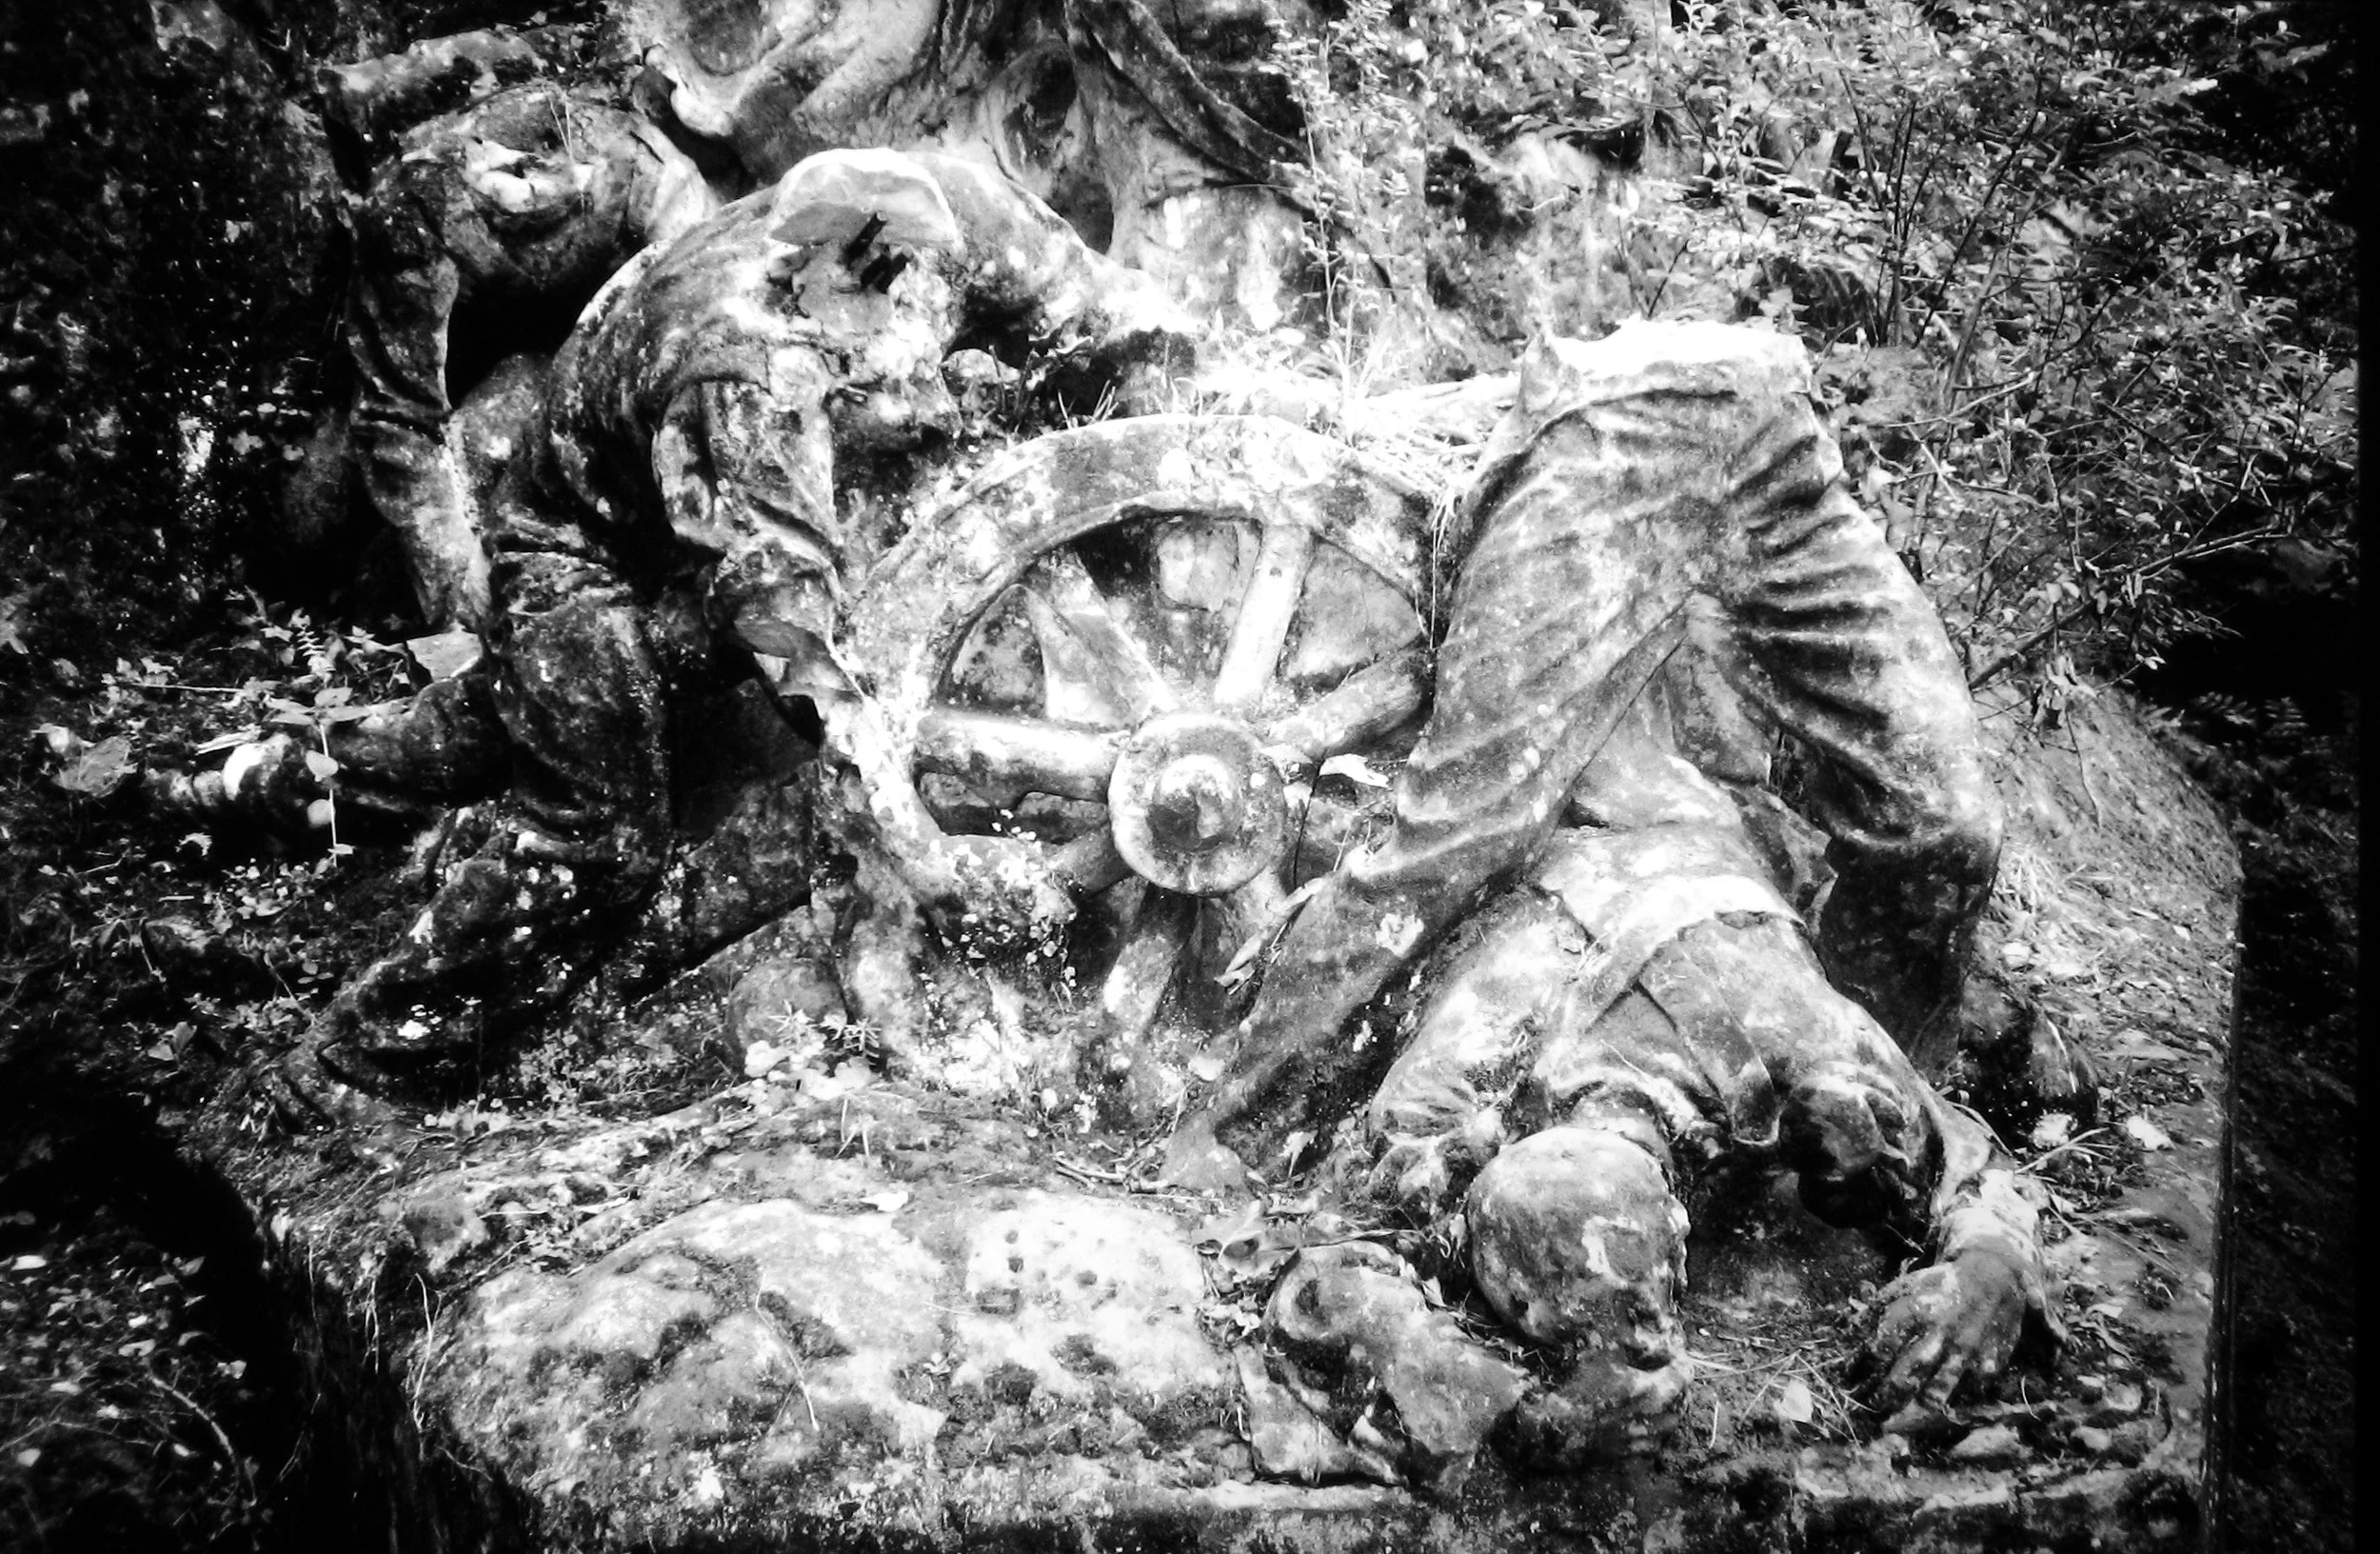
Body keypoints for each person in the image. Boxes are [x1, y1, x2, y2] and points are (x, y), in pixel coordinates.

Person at [272, 147, 1197, 1117]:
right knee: (599, 835)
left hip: (705, 507)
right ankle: (354, 1063)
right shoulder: (751, 377)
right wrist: (933, 860)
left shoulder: (960, 206)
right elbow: (803, 655)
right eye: (869, 327)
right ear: (816, 280)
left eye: (914, 297)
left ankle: (302, 775)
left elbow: (1115, 320)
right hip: (581, 554)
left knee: (533, 714)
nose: (907, 347)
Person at [1185, 323, 2004, 1174]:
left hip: (1774, 421)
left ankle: (1880, 1118)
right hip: (1605, 440)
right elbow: (1452, 839)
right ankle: (1230, 1123)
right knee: (1461, 830)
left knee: (1947, 825)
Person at [1343, 687, 2057, 1438]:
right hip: (1605, 837)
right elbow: (1387, 1187)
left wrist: (1987, 1277)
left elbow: (1973, 1171)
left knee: (2043, 1083)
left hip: (1658, 825)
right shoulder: (1506, 1067)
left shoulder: (1817, 1044)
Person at [344, 77, 718, 628]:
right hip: (493, 390)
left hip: (616, 379)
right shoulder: (414, 216)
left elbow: (703, 339)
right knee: (493, 433)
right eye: (512, 176)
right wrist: (457, 585)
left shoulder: (648, 181)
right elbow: (400, 416)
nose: (527, 184)